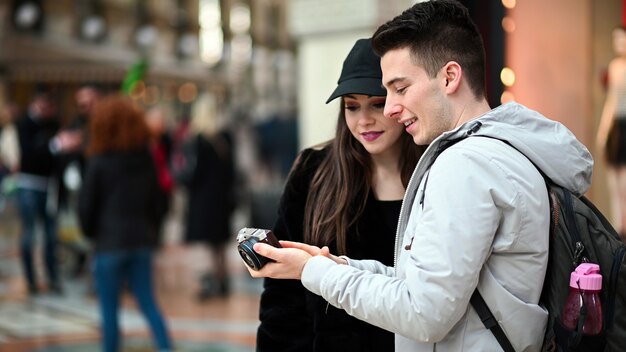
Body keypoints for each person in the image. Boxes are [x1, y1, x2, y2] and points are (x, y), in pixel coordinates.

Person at [246, 1, 594, 351]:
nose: (392, 108)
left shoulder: (465, 165)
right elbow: (428, 288)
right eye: (354, 105)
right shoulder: (500, 149)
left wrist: (313, 272)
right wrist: (330, 265)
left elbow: (424, 312)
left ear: (449, 77)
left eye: (399, 88)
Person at [256, 38, 424, 352]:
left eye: (377, 103)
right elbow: (282, 298)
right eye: (351, 106)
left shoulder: (436, 174)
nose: (364, 120)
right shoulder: (314, 172)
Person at [78, 95, 172, 352]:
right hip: (141, 240)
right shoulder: (145, 157)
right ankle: (166, 348)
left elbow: (87, 206)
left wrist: (90, 232)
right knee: (148, 303)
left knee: (109, 308)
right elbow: (158, 200)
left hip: (109, 243)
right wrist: (153, 231)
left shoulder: (99, 161)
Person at [14, 89, 82, 295]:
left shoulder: (54, 123)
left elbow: (55, 157)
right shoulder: (24, 124)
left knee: (52, 235)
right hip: (28, 184)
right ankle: (31, 279)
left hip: (50, 185)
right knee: (29, 234)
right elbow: (30, 155)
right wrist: (55, 145)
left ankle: (53, 277)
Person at [180, 93, 236, 300]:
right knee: (219, 243)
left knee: (205, 244)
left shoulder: (198, 139)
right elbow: (232, 172)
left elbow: (193, 173)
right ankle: (222, 280)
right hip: (222, 199)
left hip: (203, 200)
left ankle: (210, 281)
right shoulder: (226, 137)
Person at [597, 26, 626, 240]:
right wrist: (603, 129)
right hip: (615, 127)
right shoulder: (615, 67)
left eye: (622, 39)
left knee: (624, 182)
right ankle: (618, 230)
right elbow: (611, 101)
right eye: (616, 40)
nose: (619, 44)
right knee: (613, 183)